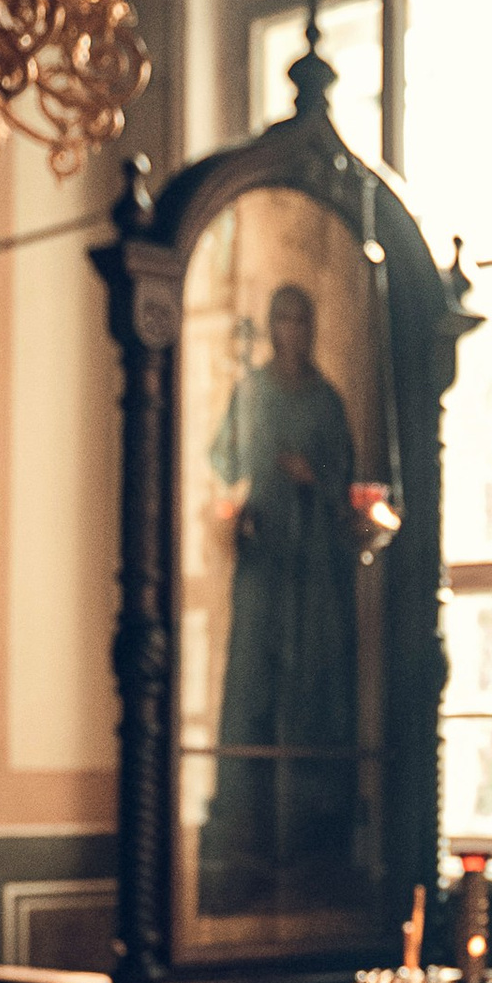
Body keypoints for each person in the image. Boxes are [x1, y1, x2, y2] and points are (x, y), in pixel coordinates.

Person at [200, 282, 361, 915]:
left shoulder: (326, 402)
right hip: (267, 559)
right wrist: (237, 510)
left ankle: (315, 830)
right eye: (281, 319)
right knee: (257, 682)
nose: (289, 330)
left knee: (313, 683)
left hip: (315, 567)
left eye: (300, 319)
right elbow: (222, 459)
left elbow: (347, 484)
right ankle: (246, 827)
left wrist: (314, 479)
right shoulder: (255, 391)